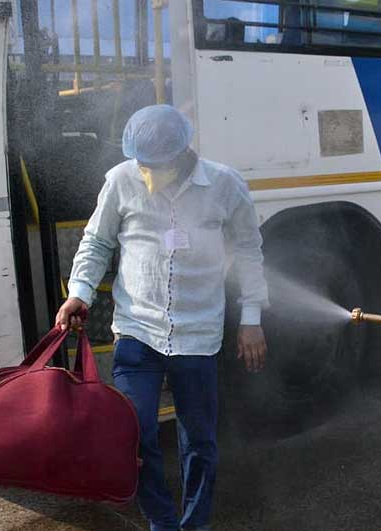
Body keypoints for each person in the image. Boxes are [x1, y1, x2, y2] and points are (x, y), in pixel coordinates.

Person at [55, 104, 269, 531]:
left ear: (183, 151)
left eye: (157, 163)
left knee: (200, 443)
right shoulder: (121, 180)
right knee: (136, 435)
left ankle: (195, 524)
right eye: (142, 162)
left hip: (199, 333)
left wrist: (251, 317)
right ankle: (162, 522)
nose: (147, 170)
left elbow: (248, 250)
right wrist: (79, 293)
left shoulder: (224, 185)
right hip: (138, 329)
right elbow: (97, 243)